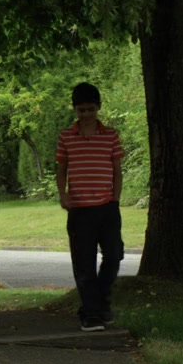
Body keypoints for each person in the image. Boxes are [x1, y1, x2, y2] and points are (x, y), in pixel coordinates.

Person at [55, 82, 125, 332]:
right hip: (79, 209)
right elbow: (61, 168)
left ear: (98, 108)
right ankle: (91, 314)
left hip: (107, 206)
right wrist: (63, 194)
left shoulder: (110, 135)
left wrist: (115, 199)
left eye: (90, 109)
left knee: (114, 256)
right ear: (75, 109)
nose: (86, 114)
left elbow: (117, 169)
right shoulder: (66, 136)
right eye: (81, 110)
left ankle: (101, 303)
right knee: (84, 264)